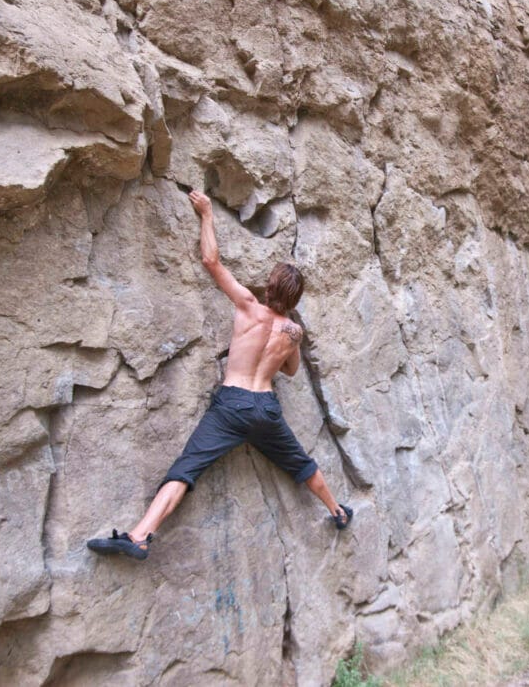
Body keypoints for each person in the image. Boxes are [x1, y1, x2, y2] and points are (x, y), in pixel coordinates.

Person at [87, 190, 352, 560]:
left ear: (270, 286)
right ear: (294, 299)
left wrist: (207, 213)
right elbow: (289, 371)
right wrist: (282, 349)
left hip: (232, 405)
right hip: (266, 408)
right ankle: (338, 511)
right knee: (300, 462)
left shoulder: (247, 305)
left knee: (186, 468)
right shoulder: (293, 333)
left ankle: (140, 535)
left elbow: (211, 260)